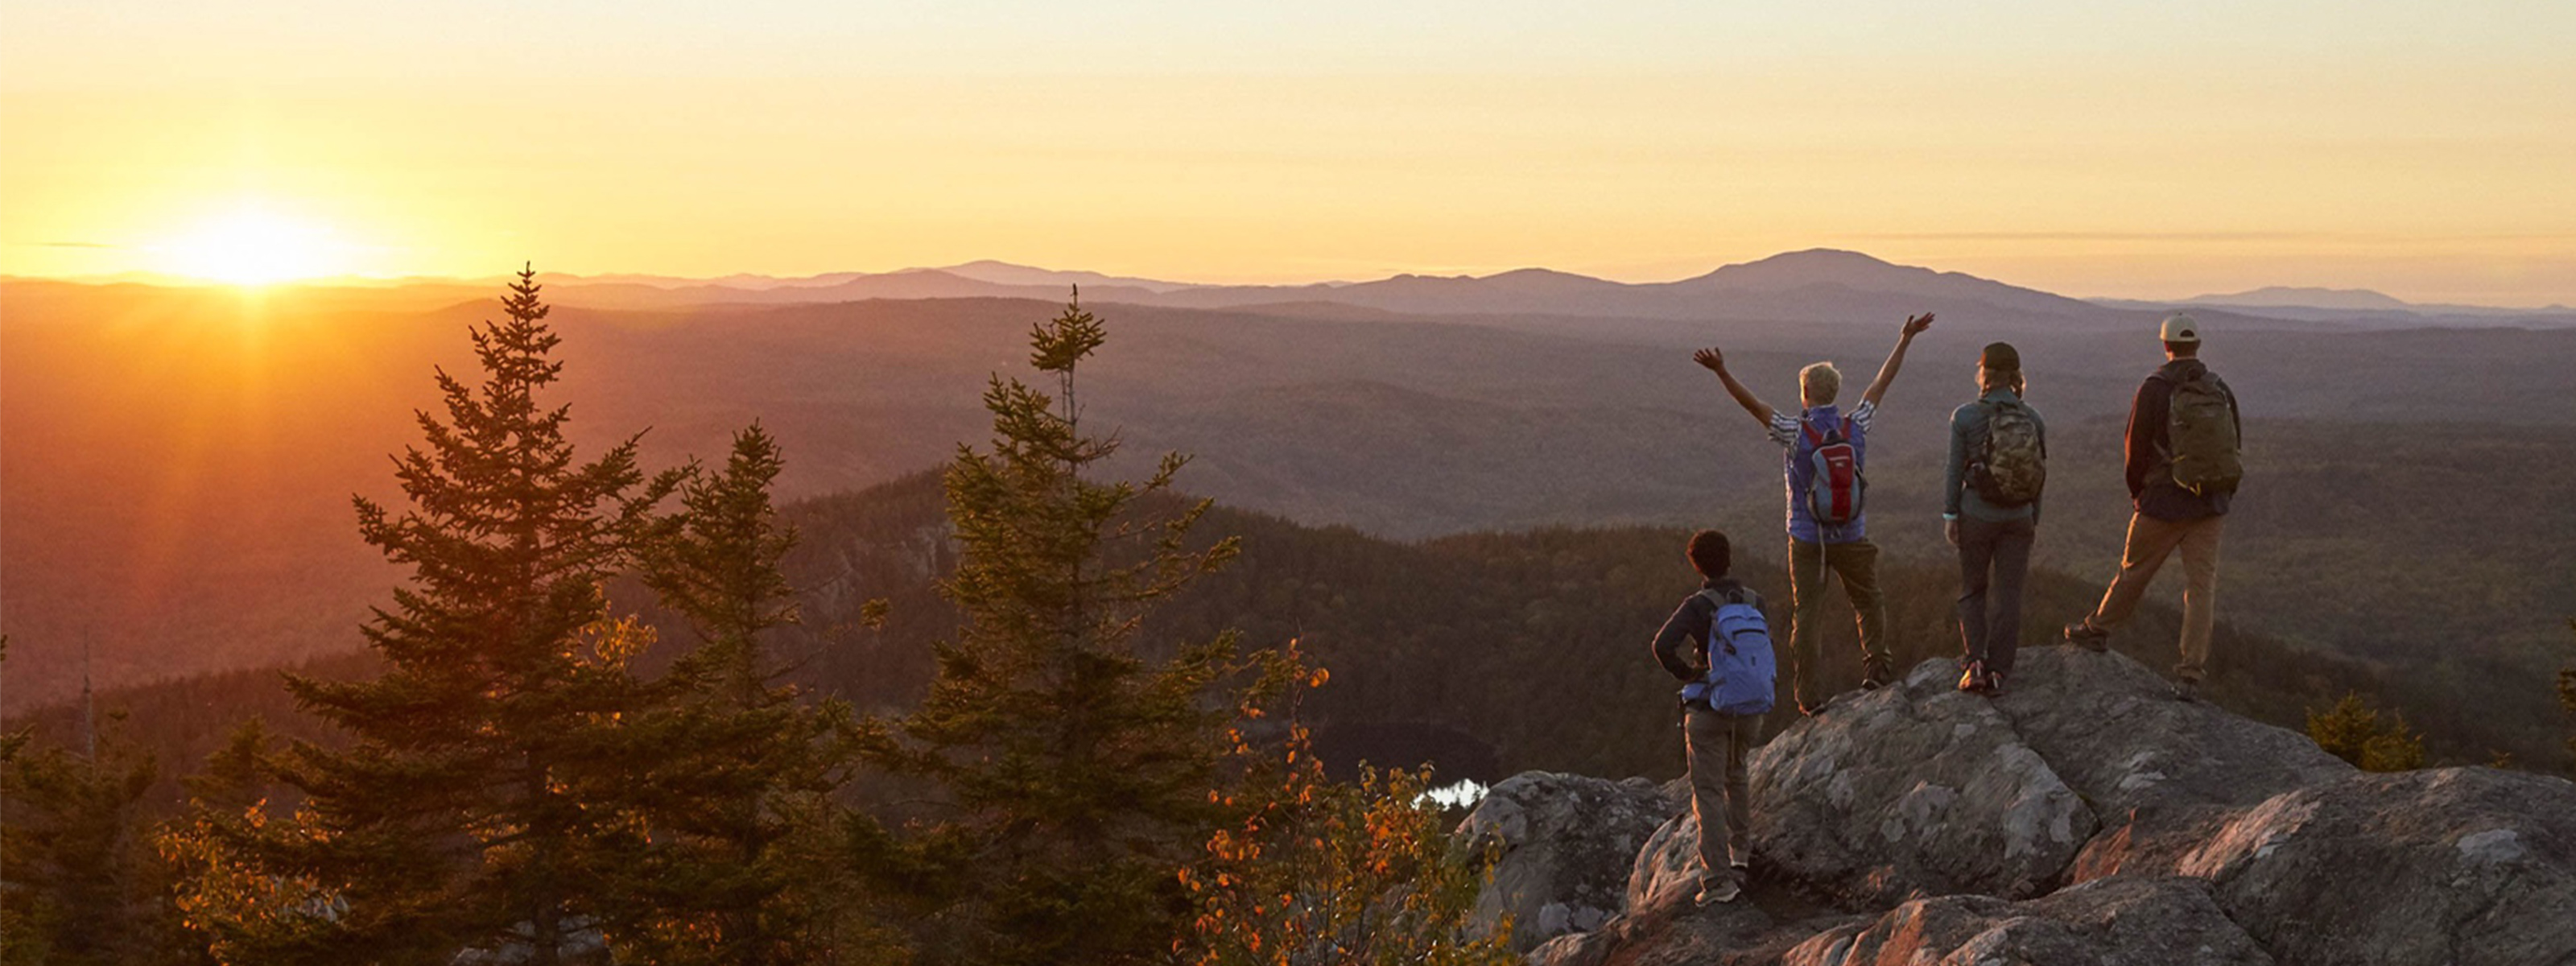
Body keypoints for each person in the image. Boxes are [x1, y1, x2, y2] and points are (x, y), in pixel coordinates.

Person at [1695, 312, 1932, 714]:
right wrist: (1905, 339)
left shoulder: (1794, 431)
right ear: (1835, 392)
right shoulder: (1856, 425)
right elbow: (1881, 385)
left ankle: (1808, 697)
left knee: (1808, 616)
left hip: (1807, 539)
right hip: (1852, 533)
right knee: (1869, 601)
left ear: (1805, 393)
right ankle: (1877, 666)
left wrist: (1722, 371)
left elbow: (1752, 405)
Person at [2064, 313, 2243, 700]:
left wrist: (2139, 495)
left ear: (2165, 345)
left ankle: (2097, 630)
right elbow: (2234, 445)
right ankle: (2191, 674)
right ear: (2197, 345)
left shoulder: (2155, 388)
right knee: (2201, 589)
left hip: (2162, 503)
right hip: (2211, 504)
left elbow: (2136, 450)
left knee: (2134, 572)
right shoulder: (2220, 388)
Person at [1649, 529, 1765, 906]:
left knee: (1709, 793)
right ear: (1730, 558)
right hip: (1749, 709)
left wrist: (1690, 674)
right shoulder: (1754, 601)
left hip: (1709, 709)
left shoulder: (1698, 606)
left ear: (1697, 565)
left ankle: (1718, 882)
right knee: (1738, 775)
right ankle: (1742, 857)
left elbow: (1662, 645)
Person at [1943, 342, 2046, 696]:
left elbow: (1954, 470)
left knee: (1973, 589)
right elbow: (2039, 475)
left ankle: (1974, 664)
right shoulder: (2033, 419)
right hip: (2019, 517)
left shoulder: (1966, 417)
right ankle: (2000, 671)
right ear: (2016, 376)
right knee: (2010, 595)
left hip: (1977, 514)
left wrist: (1950, 514)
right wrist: (2034, 518)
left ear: (1984, 374)